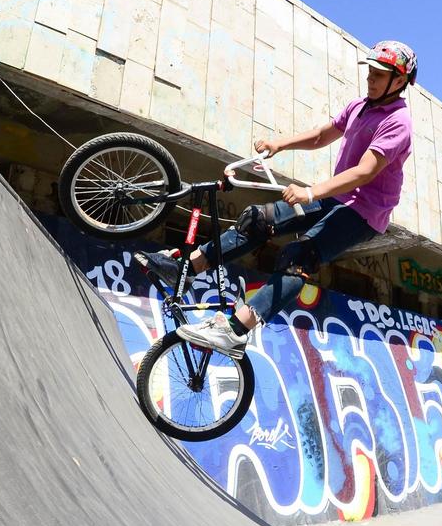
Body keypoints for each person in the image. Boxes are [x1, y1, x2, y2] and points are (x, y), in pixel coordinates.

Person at [141, 41, 415, 357]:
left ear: (399, 81)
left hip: (364, 212)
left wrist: (310, 192)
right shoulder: (360, 106)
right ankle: (185, 270)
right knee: (257, 218)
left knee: (299, 257)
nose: (370, 78)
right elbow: (321, 135)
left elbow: (366, 172)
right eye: (370, 71)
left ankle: (235, 330)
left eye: (379, 75)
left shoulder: (398, 122)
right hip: (338, 197)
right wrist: (279, 143)